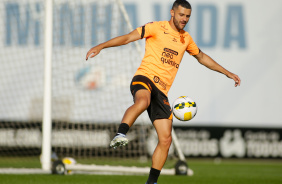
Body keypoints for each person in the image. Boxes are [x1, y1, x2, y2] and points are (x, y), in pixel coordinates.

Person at [86, 0, 241, 183]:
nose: (184, 19)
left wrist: (227, 73)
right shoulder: (155, 27)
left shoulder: (186, 39)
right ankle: (121, 133)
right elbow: (128, 38)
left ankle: (151, 182)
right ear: (172, 12)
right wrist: (101, 46)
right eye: (181, 15)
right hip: (144, 79)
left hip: (161, 91)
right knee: (143, 102)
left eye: (188, 16)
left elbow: (201, 57)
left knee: (166, 140)